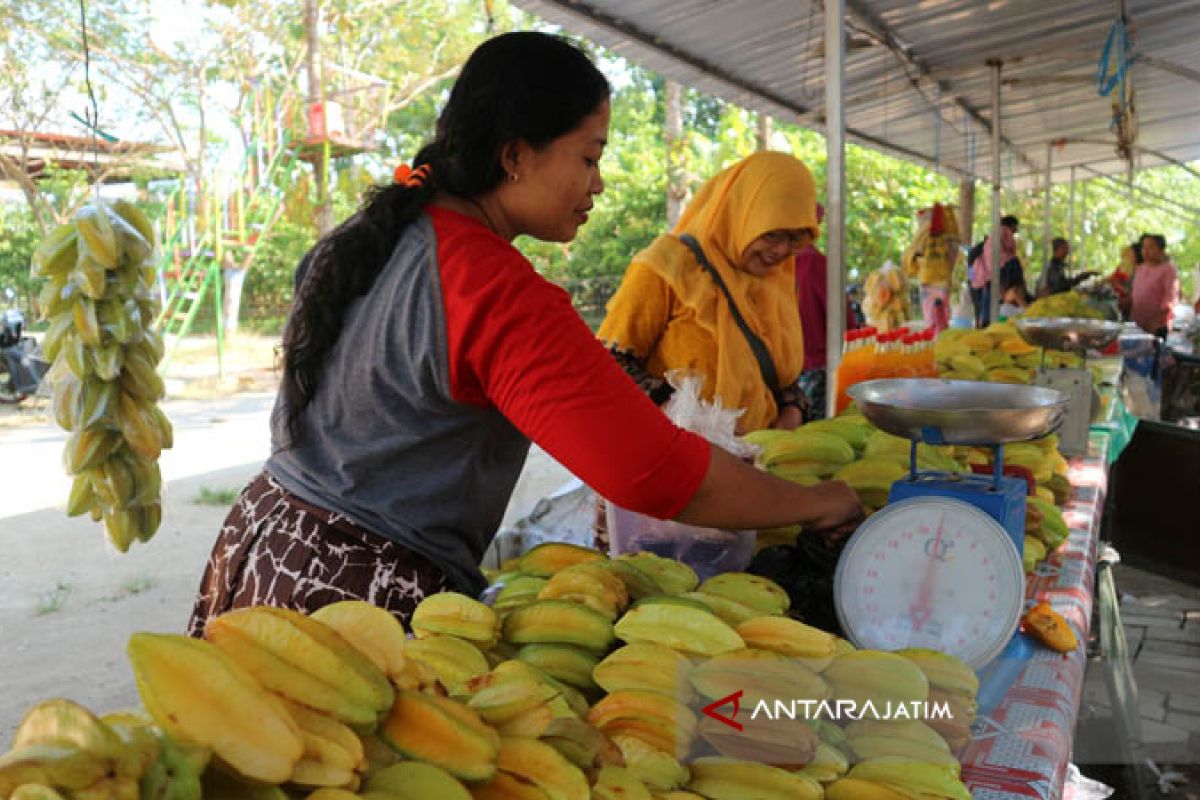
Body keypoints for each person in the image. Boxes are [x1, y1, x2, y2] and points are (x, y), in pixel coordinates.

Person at [187, 33, 862, 635]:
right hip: (350, 600)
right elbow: (651, 472)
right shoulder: (493, 287)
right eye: (589, 157)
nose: (597, 184)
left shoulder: (370, 241)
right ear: (515, 154)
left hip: (262, 547)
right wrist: (811, 502)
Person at [597, 150, 818, 433]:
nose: (782, 251)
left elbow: (778, 375)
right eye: (772, 234)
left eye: (795, 238)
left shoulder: (778, 281)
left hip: (759, 461)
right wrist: (680, 414)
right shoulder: (667, 266)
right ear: (742, 214)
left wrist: (790, 415)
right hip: (679, 460)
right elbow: (609, 362)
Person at [969, 215, 1020, 327]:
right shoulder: (1004, 232)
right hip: (998, 271)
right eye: (1016, 228)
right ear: (1012, 225)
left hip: (984, 276)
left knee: (985, 303)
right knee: (992, 299)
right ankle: (986, 324)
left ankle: (984, 324)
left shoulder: (991, 238)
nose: (1016, 231)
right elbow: (1010, 250)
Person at [1130, 233, 1180, 338]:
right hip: (1137, 324)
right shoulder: (1140, 268)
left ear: (1161, 250)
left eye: (1151, 247)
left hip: (1157, 327)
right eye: (1144, 247)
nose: (1146, 251)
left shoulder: (1168, 270)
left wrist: (1155, 322)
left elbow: (1170, 300)